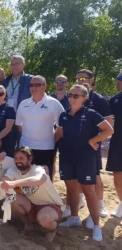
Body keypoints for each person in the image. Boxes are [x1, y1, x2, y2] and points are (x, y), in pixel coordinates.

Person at [57, 85, 113, 242]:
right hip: (67, 156)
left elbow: (109, 130)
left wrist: (93, 140)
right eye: (70, 95)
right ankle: (74, 217)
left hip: (85, 157)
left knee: (89, 191)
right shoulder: (63, 115)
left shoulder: (91, 114)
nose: (72, 98)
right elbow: (59, 134)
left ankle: (96, 226)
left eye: (76, 95)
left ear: (84, 98)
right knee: (71, 189)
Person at [0, 146, 64, 243]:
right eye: (16, 158)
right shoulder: (14, 170)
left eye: (21, 158)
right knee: (11, 197)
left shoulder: (38, 169)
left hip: (51, 206)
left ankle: (52, 230)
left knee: (44, 218)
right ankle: (28, 224)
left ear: (30, 159)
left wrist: (15, 183)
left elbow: (40, 179)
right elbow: (6, 179)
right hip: (32, 204)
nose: (18, 161)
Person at [74, 69, 113, 218]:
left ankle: (100, 203)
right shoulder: (73, 97)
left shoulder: (99, 100)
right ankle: (81, 199)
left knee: (95, 176)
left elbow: (109, 125)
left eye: (83, 79)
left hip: (92, 145)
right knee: (77, 174)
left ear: (91, 80)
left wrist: (95, 141)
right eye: (77, 79)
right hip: (76, 144)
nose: (80, 81)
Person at [15, 75, 64, 179]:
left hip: (46, 148)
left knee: (44, 178)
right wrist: (31, 136)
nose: (34, 87)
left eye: (37, 85)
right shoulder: (23, 104)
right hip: (26, 147)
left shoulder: (54, 103)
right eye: (31, 85)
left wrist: (50, 139)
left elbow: (61, 127)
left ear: (45, 86)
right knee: (25, 176)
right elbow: (19, 125)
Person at [107, 71, 122, 223]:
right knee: (117, 174)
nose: (117, 81)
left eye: (120, 78)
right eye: (117, 77)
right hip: (118, 142)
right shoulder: (115, 100)